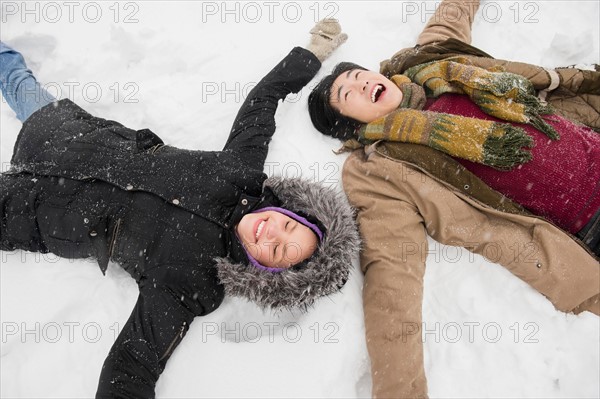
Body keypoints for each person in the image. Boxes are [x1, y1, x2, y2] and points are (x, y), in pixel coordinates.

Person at [0, 20, 358, 398]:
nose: (271, 232)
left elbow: (132, 365)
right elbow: (263, 100)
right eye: (288, 227)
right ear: (291, 211)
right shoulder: (242, 170)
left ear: (267, 271)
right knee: (15, 76)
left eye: (279, 250)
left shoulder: (195, 283)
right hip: (64, 134)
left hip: (27, 211)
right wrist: (313, 52)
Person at [307, 1, 600, 398]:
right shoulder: (379, 171)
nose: (360, 83)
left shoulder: (431, 62)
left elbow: (453, 13)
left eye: (360, 75)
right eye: (348, 93)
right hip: (587, 227)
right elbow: (391, 276)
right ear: (351, 123)